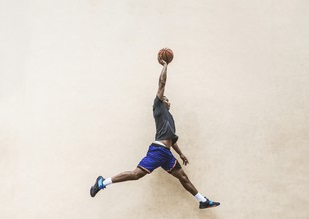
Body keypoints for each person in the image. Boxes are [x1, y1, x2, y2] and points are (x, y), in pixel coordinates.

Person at [90, 56, 220, 209]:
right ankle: (102, 182)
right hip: (158, 151)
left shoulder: (170, 118)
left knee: (183, 177)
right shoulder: (158, 108)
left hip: (167, 154)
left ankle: (202, 201)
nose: (167, 100)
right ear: (161, 101)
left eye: (167, 99)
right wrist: (165, 65)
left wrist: (181, 154)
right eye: (165, 98)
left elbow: (172, 139)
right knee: (136, 174)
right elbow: (162, 83)